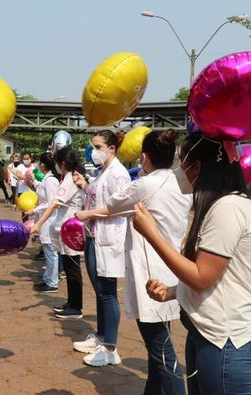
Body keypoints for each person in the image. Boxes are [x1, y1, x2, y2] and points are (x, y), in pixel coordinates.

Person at [134, 134, 251, 395]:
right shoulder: (214, 206)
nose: (178, 170)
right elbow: (222, 277)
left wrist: (152, 233)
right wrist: (173, 291)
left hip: (224, 344)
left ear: (197, 167)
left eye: (182, 162)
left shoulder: (228, 207)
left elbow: (201, 277)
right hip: (205, 335)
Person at [79, 130, 191, 391]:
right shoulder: (182, 182)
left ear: (144, 156)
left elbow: (113, 204)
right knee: (157, 347)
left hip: (149, 271)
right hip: (172, 267)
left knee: (160, 349)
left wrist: (85, 212)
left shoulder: (144, 185)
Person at [72, 130, 130, 367]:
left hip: (108, 238)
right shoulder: (103, 172)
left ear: (111, 148)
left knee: (107, 292)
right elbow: (98, 197)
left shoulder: (119, 174)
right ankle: (101, 337)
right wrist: (84, 185)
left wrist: (88, 213)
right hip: (94, 236)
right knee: (99, 290)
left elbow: (120, 207)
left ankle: (110, 349)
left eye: (97, 146)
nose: (93, 151)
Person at [31, 146, 86, 319]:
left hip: (70, 230)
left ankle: (75, 306)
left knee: (72, 268)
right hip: (67, 229)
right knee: (70, 267)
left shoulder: (70, 179)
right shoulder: (70, 177)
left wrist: (39, 223)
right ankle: (71, 302)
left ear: (62, 164)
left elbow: (54, 203)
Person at [26, 153, 60, 293]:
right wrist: (33, 181)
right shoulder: (47, 179)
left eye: (40, 163)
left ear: (43, 165)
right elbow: (41, 190)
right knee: (48, 251)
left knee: (51, 252)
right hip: (45, 218)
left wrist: (34, 210)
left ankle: (52, 282)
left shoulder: (51, 180)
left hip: (49, 219)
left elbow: (51, 203)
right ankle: (48, 278)